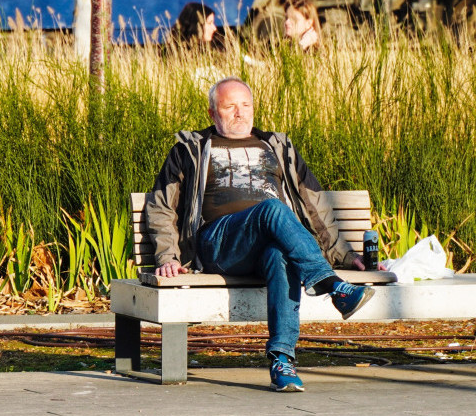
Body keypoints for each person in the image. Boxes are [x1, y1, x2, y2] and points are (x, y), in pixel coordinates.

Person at [144, 77, 374, 392]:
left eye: (246, 105)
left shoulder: (279, 147)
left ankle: (282, 360)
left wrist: (345, 255)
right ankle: (333, 285)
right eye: (230, 106)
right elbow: (161, 207)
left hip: (268, 243)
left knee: (281, 255)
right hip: (220, 243)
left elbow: (315, 205)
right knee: (274, 209)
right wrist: (167, 256)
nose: (240, 113)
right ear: (213, 113)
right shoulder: (191, 148)